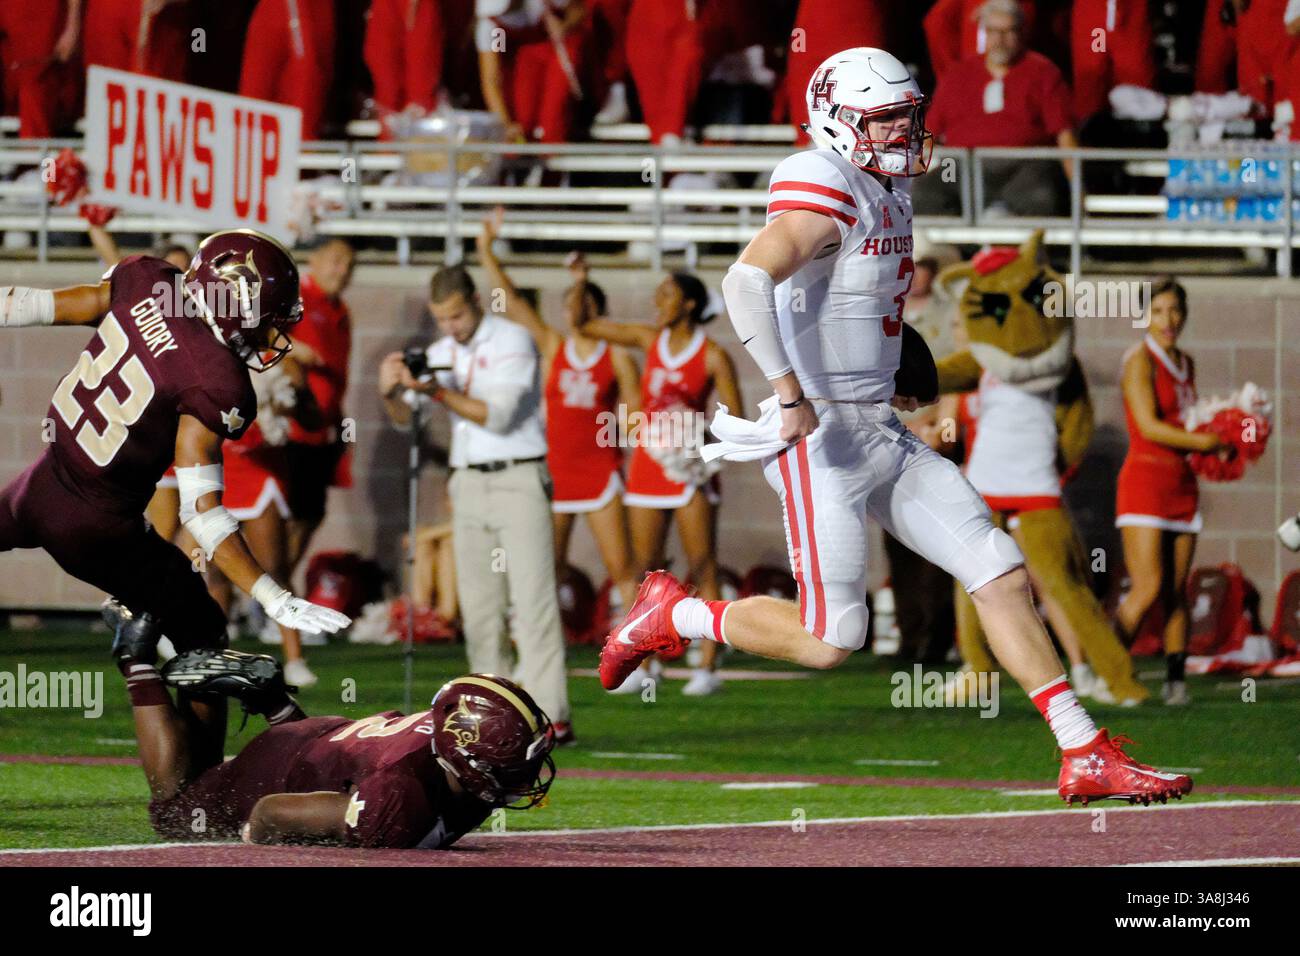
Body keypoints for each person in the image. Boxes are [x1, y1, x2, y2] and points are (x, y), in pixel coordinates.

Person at [602, 46, 1193, 807]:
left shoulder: (888, 190)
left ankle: (1083, 749)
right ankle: (673, 613)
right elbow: (745, 279)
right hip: (823, 447)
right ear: (837, 122)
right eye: (885, 121)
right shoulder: (827, 183)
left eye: (907, 118)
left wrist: (891, 374)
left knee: (1000, 569)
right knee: (831, 639)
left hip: (876, 428)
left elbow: (854, 304)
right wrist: (788, 392)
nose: (903, 134)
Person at [0, 230, 350, 767]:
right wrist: (274, 598)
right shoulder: (216, 380)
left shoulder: (147, 279)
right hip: (99, 526)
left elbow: (33, 305)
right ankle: (196, 784)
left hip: (40, 483)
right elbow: (202, 515)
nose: (275, 331)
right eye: (272, 315)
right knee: (203, 631)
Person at [104, 605, 553, 848]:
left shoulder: (444, 746)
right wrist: (253, 841)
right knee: (174, 811)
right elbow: (268, 812)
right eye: (513, 763)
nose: (528, 773)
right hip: (280, 768)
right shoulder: (399, 801)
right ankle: (135, 656)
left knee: (209, 772)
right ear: (467, 760)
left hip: (317, 742)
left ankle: (269, 701)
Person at [378, 264, 574, 743]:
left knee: (532, 600)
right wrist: (391, 393)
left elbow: (500, 416)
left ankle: (551, 713)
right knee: (480, 605)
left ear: (476, 302)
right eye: (442, 318)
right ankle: (493, 710)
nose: (451, 327)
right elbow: (409, 421)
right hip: (468, 483)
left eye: (458, 315)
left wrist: (438, 391)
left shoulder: (512, 340)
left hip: (518, 475)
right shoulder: (439, 353)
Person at [476, 214, 641, 634]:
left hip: (601, 473)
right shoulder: (554, 347)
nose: (569, 309)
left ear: (594, 308)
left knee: (622, 567)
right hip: (556, 472)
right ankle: (540, 651)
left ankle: (642, 656)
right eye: (567, 302)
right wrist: (485, 249)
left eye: (577, 301)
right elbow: (511, 300)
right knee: (545, 568)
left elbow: (636, 417)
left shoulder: (616, 357)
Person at [581, 272, 742, 696]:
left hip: (688, 472)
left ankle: (707, 665)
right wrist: (580, 280)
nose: (658, 301)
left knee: (702, 562)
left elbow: (736, 420)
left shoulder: (712, 355)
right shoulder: (649, 340)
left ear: (689, 304)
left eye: (667, 294)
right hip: (649, 466)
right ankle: (646, 664)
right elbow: (586, 324)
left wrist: (697, 439)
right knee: (647, 569)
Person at [1114, 278, 1223, 707]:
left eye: (1175, 310)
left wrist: (1224, 436)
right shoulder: (1140, 360)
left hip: (1182, 483)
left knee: (1178, 589)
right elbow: (1148, 426)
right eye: (1158, 311)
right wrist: (1207, 441)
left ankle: (1175, 681)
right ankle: (1109, 670)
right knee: (1148, 587)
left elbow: (1188, 421)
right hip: (1145, 484)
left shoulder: (1186, 362)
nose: (1168, 320)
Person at [916, 0, 1077, 218]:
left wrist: (1079, 188)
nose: (1000, 40)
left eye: (1008, 31)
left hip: (1025, 164)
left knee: (1041, 195)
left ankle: (1021, 249)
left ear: (1022, 33)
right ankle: (961, 249)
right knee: (926, 193)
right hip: (963, 165)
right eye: (993, 31)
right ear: (984, 33)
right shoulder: (958, 75)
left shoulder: (1043, 72)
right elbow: (930, 134)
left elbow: (1064, 135)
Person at [284, 237, 356, 576]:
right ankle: (262, 595)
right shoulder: (294, 298)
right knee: (282, 515)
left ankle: (269, 592)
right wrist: (291, 348)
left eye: (350, 265)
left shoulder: (340, 311)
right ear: (314, 258)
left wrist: (340, 425)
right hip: (290, 427)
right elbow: (258, 336)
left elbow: (336, 376)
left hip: (323, 430)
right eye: (336, 260)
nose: (343, 271)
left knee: (311, 515)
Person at [476, 0, 587, 144]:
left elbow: (578, 10)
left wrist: (564, 25)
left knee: (552, 119)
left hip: (555, 48)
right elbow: (492, 78)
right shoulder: (495, 27)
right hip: (526, 59)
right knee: (523, 122)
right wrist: (505, 123)